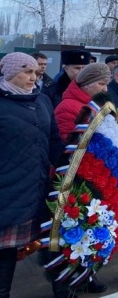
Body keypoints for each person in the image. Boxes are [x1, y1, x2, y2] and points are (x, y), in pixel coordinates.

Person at [0, 53, 64, 298]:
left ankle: (62, 288)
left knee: (43, 242)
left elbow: (54, 139)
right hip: (7, 190)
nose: (33, 77)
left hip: (37, 186)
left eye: (36, 72)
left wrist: (68, 168)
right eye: (27, 72)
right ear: (10, 73)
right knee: (4, 254)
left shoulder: (42, 100)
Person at [55, 63, 111, 141]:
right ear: (86, 85)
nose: (105, 89)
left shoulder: (98, 104)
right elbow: (68, 143)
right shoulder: (67, 108)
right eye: (101, 84)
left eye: (106, 84)